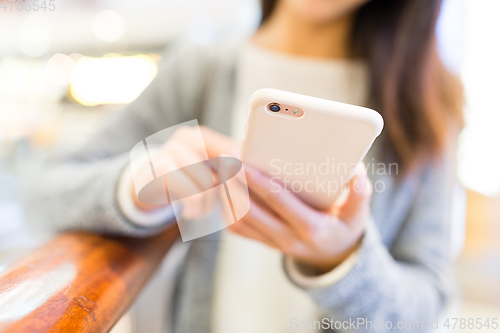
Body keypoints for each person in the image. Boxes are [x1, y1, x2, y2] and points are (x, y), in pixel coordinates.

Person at [27, 0, 464, 332]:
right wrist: (139, 185)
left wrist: (343, 261)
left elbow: (426, 305)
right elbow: (44, 191)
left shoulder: (426, 104)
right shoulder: (201, 69)